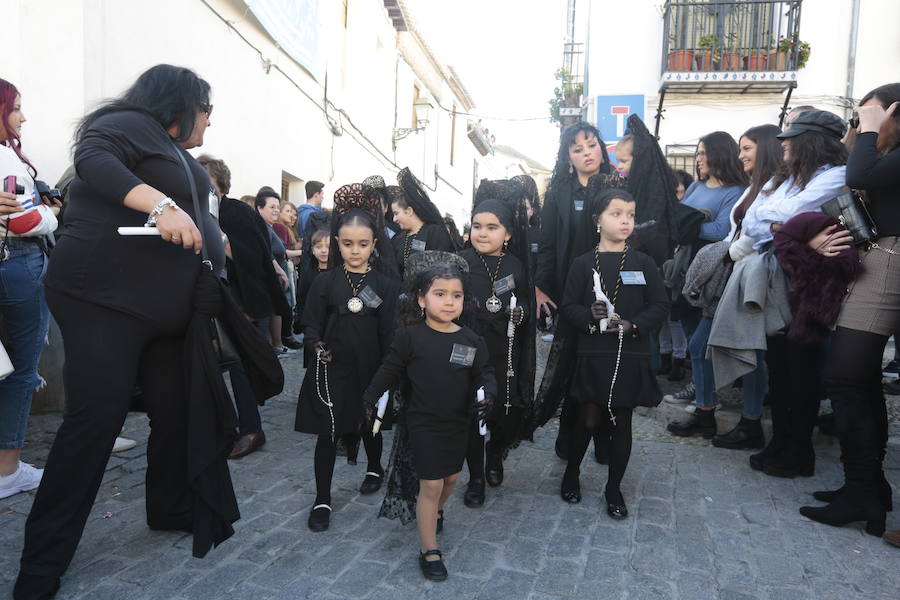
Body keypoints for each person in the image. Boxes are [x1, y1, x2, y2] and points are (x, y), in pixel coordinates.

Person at [14, 64, 230, 598]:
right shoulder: (127, 124)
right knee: (96, 420)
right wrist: (162, 206)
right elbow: (93, 161)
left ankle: (170, 506)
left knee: (177, 411)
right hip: (106, 301)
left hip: (166, 310)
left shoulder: (172, 151)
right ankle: (42, 563)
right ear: (181, 103)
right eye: (207, 110)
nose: (209, 121)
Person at [797, 85, 899, 538]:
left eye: (868, 115)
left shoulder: (881, 156)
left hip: (890, 261)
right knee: (857, 381)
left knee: (845, 376)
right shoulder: (883, 155)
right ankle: (867, 487)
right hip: (877, 258)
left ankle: (864, 490)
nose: (859, 126)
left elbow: (857, 170)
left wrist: (872, 126)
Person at [362, 257, 496, 582]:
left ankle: (435, 509)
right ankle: (429, 549)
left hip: (457, 423)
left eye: (456, 295)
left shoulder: (471, 340)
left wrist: (488, 395)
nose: (449, 301)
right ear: (422, 299)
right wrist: (369, 397)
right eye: (440, 294)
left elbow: (485, 374)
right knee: (432, 483)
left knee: (450, 480)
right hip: (421, 422)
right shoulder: (410, 336)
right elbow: (390, 370)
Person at [736, 110, 848, 478]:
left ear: (810, 143)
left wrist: (779, 221)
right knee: (781, 368)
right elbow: (752, 221)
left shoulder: (835, 176)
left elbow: (789, 213)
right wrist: (783, 224)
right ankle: (782, 443)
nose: (784, 143)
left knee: (802, 370)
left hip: (809, 285)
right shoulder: (790, 179)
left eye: (792, 137)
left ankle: (798, 450)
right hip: (781, 277)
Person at [296, 183, 400, 533]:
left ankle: (374, 466)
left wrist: (388, 373)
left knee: (369, 423)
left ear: (374, 244)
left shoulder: (386, 285)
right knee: (328, 432)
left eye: (363, 244)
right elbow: (309, 324)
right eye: (347, 243)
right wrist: (316, 347)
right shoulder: (325, 282)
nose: (355, 251)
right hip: (331, 369)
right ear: (337, 242)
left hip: (370, 367)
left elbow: (390, 334)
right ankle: (322, 497)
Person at [558, 188, 668, 519]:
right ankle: (572, 471)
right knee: (589, 417)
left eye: (630, 215)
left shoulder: (644, 263)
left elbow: (660, 305)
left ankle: (613, 487)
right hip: (594, 351)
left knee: (621, 421)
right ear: (597, 220)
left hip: (629, 351)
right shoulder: (581, 263)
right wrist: (587, 316)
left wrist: (634, 325)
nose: (625, 221)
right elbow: (568, 307)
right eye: (616, 213)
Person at [533, 122, 620, 463]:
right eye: (577, 148)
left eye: (591, 144)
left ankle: (603, 435)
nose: (586, 152)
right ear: (568, 157)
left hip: (612, 290)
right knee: (572, 369)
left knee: (608, 366)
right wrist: (540, 287)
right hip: (572, 292)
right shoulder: (559, 194)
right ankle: (570, 438)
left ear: (601, 147)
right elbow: (549, 245)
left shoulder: (619, 187)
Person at [457, 181, 535, 508]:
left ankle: (495, 457)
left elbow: (527, 306)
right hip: (467, 351)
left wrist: (521, 313)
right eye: (477, 226)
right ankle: (475, 476)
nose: (483, 233)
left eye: (492, 227)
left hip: (504, 352)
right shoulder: (459, 262)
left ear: (508, 234)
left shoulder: (516, 266)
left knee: (502, 410)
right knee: (473, 414)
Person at [665, 131, 747, 436]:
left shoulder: (736, 190)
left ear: (718, 155)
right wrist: (688, 223)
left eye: (703, 153)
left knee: (703, 340)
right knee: (690, 332)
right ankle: (700, 389)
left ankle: (707, 400)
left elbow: (719, 230)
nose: (698, 159)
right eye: (697, 153)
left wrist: (689, 223)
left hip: (713, 270)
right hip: (687, 266)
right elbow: (681, 220)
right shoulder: (697, 186)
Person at [0, 78, 59, 500]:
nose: (22, 116)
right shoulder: (6, 157)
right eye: (16, 107)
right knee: (21, 369)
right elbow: (23, 222)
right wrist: (52, 214)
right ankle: (7, 471)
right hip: (19, 261)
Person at [708, 124, 784, 450]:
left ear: (765, 149)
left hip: (755, 276)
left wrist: (729, 253)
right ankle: (742, 417)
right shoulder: (755, 185)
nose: (740, 156)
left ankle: (750, 422)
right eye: (739, 149)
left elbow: (759, 231)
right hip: (738, 272)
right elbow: (737, 229)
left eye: (747, 148)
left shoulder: (776, 186)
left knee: (748, 348)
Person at [389, 167, 457, 277]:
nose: (394, 219)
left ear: (409, 211)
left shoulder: (434, 233)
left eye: (396, 213)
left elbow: (442, 268)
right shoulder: (399, 239)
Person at [256, 189, 293, 356]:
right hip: (268, 280)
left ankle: (274, 348)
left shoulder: (269, 228)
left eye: (278, 206)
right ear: (259, 208)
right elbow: (266, 254)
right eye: (272, 207)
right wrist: (279, 271)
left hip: (276, 279)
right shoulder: (261, 228)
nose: (276, 210)